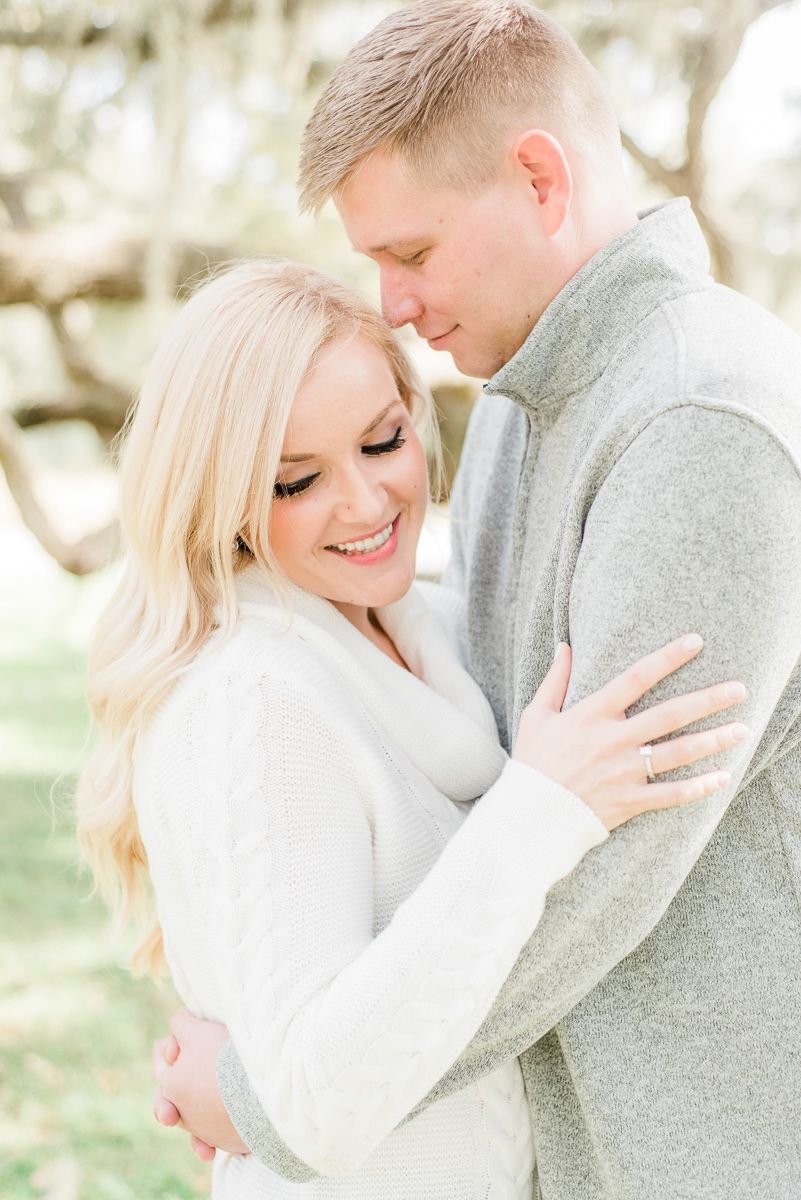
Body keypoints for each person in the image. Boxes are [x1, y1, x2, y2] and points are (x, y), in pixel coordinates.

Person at [151, 3, 801, 1198]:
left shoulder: (696, 418)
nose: (391, 301)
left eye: (411, 252)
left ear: (540, 180)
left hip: (700, 1156)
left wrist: (284, 1105)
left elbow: (606, 872)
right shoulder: (513, 398)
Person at [76, 258, 743, 1200]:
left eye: (382, 443)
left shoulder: (419, 635)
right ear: (221, 501)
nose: (363, 502)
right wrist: (538, 813)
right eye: (296, 482)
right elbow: (315, 1100)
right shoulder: (255, 699)